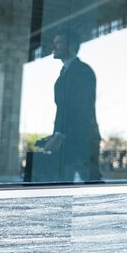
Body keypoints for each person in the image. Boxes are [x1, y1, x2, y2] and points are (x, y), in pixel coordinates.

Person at [40, 27, 102, 182]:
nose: (53, 47)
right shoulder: (66, 72)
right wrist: (56, 134)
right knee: (66, 185)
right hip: (70, 140)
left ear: (72, 46)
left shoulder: (82, 71)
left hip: (82, 141)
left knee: (91, 183)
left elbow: (79, 107)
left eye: (59, 43)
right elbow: (63, 108)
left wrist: (59, 135)